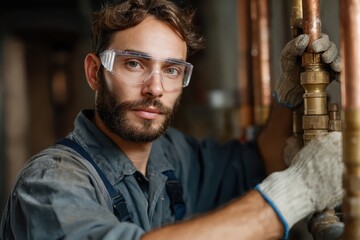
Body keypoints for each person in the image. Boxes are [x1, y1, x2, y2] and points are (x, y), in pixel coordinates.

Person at [0, 0, 343, 239]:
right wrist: (295, 193)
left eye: (172, 69)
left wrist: (288, 97)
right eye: (134, 64)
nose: (156, 88)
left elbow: (262, 160)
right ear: (94, 72)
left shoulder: (171, 156)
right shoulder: (49, 183)